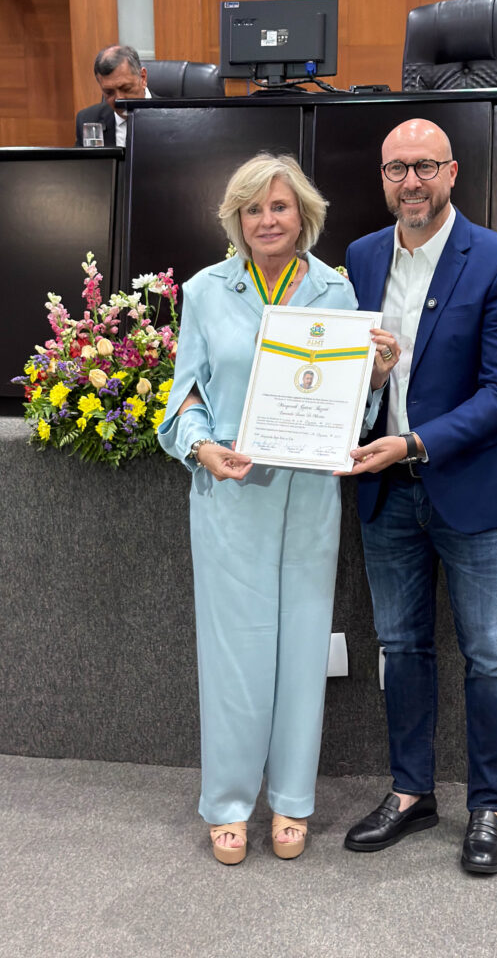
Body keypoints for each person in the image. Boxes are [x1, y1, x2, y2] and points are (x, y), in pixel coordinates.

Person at [157, 153, 398, 865]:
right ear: (236, 218)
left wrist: (375, 377)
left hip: (311, 493)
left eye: (280, 206)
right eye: (254, 208)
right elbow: (185, 394)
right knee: (233, 656)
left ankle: (292, 799)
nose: (267, 219)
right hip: (231, 494)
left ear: (304, 216)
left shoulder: (336, 290)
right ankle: (229, 803)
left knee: (301, 650)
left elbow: (353, 409)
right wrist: (202, 448)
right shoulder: (206, 291)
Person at [338, 119, 497, 874]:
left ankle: (489, 808)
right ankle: (410, 793)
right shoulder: (362, 257)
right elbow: (346, 368)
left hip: (472, 489)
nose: (411, 182)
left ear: (452, 172)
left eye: (425, 166)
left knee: (490, 655)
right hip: (385, 492)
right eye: (396, 169)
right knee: (401, 647)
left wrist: (415, 442)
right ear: (383, 178)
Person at [74, 45, 151, 148]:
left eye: (126, 88)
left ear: (143, 78)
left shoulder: (171, 116)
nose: (119, 99)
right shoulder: (88, 120)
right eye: (109, 92)